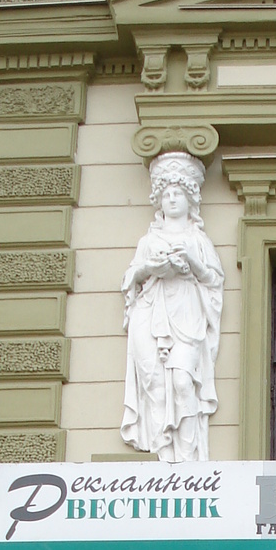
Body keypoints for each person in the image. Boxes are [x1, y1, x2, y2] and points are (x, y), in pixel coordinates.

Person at [121, 151, 225, 462]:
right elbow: (131, 277)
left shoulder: (199, 240)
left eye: (178, 192)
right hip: (150, 311)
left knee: (182, 381)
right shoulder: (148, 240)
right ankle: (163, 454)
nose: (172, 199)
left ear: (190, 198)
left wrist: (191, 263)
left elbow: (213, 280)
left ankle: (189, 458)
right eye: (166, 194)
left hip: (187, 314)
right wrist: (152, 268)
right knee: (154, 384)